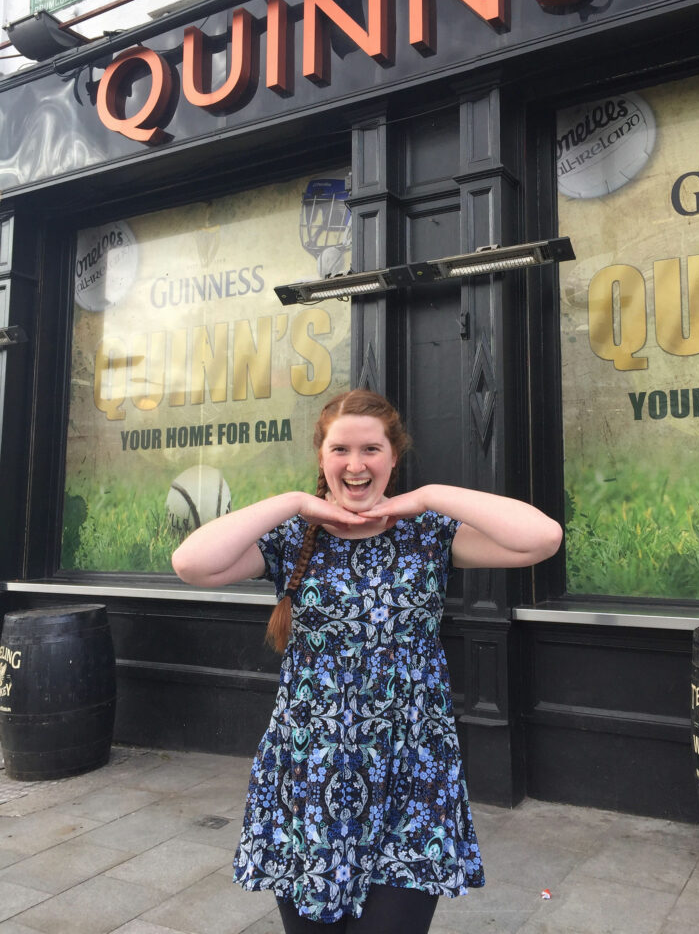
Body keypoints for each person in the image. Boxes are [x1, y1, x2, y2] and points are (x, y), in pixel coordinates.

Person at [172, 389, 562, 933]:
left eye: (372, 450)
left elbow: (543, 538)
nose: (356, 465)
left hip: (412, 774)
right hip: (311, 774)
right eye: (340, 450)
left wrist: (426, 496)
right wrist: (294, 503)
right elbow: (190, 563)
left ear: (393, 458)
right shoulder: (289, 540)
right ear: (321, 457)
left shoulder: (427, 535)